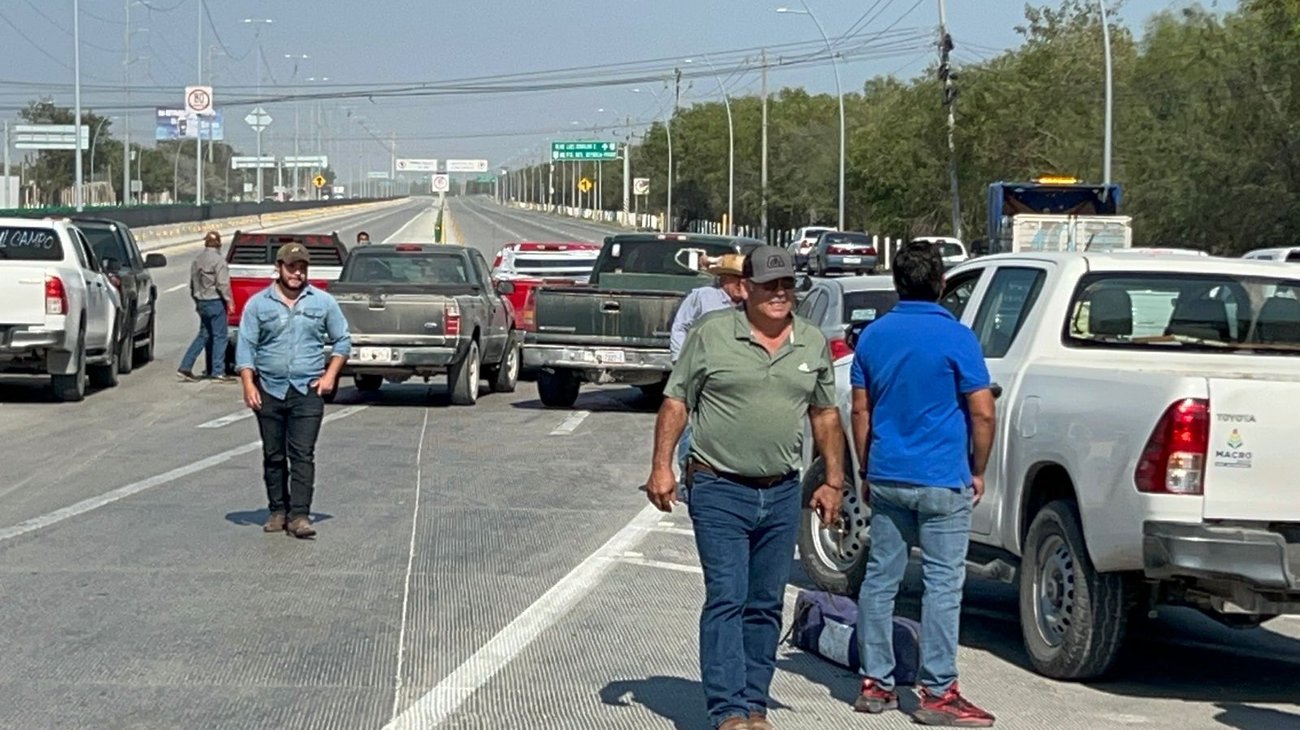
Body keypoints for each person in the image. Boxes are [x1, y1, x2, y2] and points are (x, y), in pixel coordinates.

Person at [646, 245, 846, 730]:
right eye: (769, 285)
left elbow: (824, 414)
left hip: (781, 493)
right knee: (727, 596)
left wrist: (833, 481)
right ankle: (728, 709)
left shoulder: (811, 342)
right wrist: (661, 467)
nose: (779, 294)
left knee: (765, 603)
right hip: (719, 487)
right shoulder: (712, 334)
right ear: (745, 289)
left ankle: (755, 705)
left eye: (787, 285)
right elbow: (676, 402)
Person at [849, 241, 997, 726]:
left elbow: (860, 410)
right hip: (942, 478)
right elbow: (982, 411)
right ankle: (937, 692)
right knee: (942, 585)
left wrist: (867, 469)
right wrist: (977, 468)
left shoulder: (873, 337)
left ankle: (876, 683)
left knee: (880, 580)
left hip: (888, 473)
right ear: (941, 283)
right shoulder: (958, 337)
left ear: (896, 283)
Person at [235, 243, 352, 539]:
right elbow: (246, 345)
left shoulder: (323, 302)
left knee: (302, 454)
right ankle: (278, 510)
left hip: (307, 389)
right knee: (274, 454)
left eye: (302, 268)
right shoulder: (259, 304)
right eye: (291, 267)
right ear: (279, 268)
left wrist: (330, 376)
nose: (297, 273)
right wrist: (248, 384)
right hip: (269, 389)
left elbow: (342, 340)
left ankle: (299, 515)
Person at [668, 253, 747, 497]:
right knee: (696, 425)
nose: (742, 284)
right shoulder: (703, 297)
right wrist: (681, 362)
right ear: (724, 278)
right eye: (737, 279)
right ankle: (687, 476)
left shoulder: (749, 306)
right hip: (701, 371)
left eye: (745, 279)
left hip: (735, 375)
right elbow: (680, 326)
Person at [179, 230, 234, 382]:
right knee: (220, 336)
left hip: (202, 301)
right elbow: (222, 284)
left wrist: (197, 301)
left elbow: (193, 284)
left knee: (204, 335)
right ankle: (217, 371)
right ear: (219, 244)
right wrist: (229, 301)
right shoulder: (219, 261)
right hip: (215, 301)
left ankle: (185, 367)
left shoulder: (198, 260)